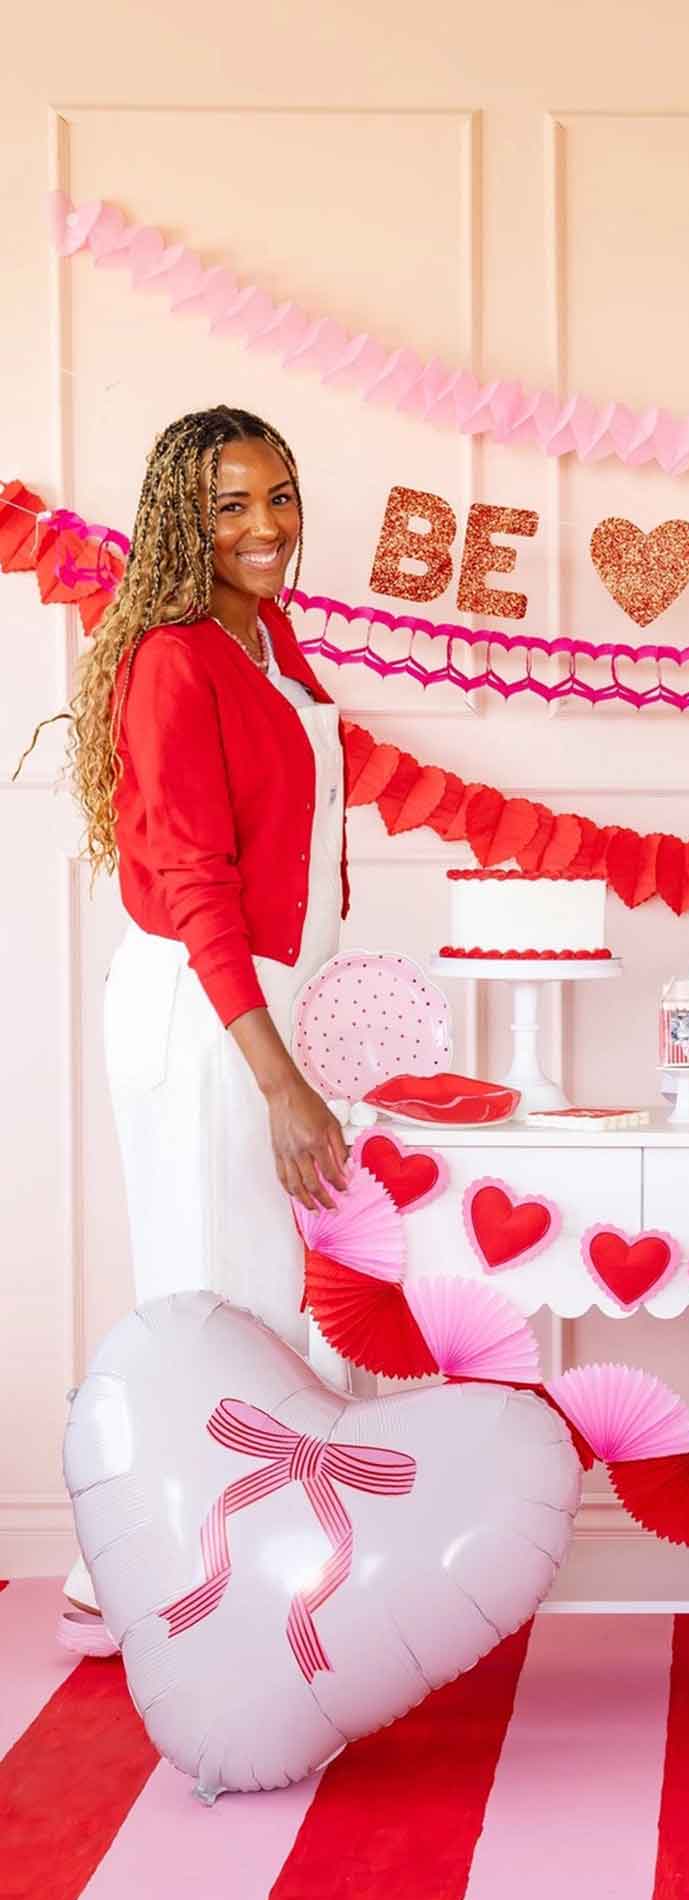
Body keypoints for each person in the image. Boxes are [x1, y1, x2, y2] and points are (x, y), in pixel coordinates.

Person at [53, 406, 350, 1656]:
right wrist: (278, 1080)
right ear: (184, 514)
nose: (264, 526)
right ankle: (126, 1576)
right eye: (231, 503)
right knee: (211, 1298)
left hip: (265, 1006)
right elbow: (195, 885)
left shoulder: (269, 637)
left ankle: (209, 1564)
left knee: (262, 1297)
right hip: (204, 1009)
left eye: (278, 495)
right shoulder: (175, 655)